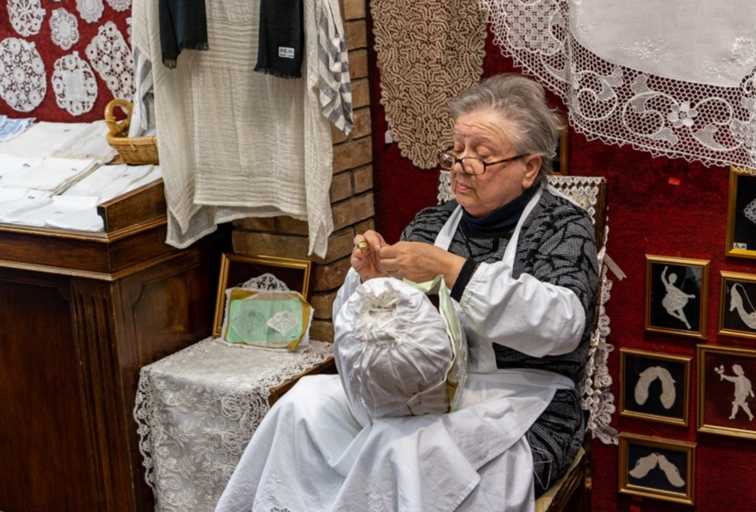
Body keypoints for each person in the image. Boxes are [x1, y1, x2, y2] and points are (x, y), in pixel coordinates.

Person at [215, 73, 600, 512]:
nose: (461, 165)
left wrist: (452, 270)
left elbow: (562, 325)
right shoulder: (430, 224)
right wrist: (371, 283)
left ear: (529, 167)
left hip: (525, 401)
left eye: (482, 156)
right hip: (421, 389)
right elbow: (379, 335)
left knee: (402, 448)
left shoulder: (563, 227)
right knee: (300, 406)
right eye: (456, 152)